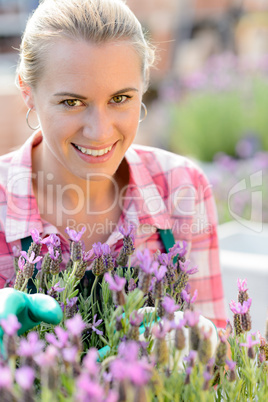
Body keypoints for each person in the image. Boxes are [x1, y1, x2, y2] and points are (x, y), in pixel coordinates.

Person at [0, 0, 226, 328]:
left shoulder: (182, 186)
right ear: (27, 91)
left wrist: (203, 344)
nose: (100, 131)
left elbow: (218, 368)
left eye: (120, 99)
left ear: (144, 84)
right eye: (72, 102)